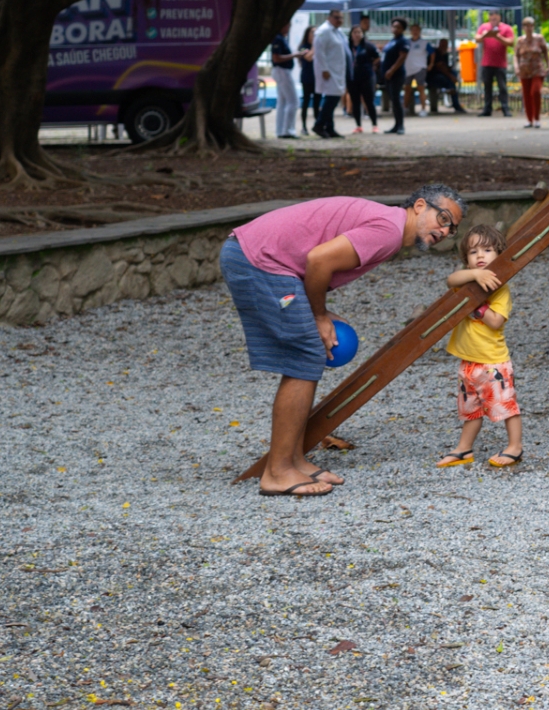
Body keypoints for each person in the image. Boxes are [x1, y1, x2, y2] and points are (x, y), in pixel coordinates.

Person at [223, 183, 466, 496]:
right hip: (257, 259)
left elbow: (315, 260)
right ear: (420, 205)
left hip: (259, 256)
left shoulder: (388, 226)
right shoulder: (389, 230)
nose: (446, 231)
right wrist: (319, 315)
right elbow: (319, 260)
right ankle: (278, 472)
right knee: (305, 355)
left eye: (453, 228)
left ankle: (295, 460)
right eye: (444, 219)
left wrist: (319, 311)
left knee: (307, 352)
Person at [434, 224, 526, 469]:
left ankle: (515, 447)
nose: (481, 256)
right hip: (469, 362)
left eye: (487, 250)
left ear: (499, 255)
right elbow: (450, 279)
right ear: (467, 259)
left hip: (493, 362)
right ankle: (464, 448)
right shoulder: (467, 281)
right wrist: (474, 276)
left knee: (507, 406)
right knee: (470, 409)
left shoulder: (500, 289)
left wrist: (478, 304)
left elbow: (495, 322)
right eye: (474, 252)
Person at [311, 9, 349, 138]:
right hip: (329, 71)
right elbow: (319, 52)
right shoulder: (324, 31)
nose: (339, 20)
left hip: (338, 70)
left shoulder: (338, 32)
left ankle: (330, 127)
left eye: (341, 18)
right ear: (329, 17)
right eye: (336, 17)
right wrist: (324, 69)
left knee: (334, 98)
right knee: (331, 99)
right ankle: (319, 125)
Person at [514, 16, 549, 128]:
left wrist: (548, 65)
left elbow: (545, 52)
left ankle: (537, 118)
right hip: (524, 71)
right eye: (526, 26)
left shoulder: (539, 39)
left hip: (537, 70)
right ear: (523, 27)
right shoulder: (520, 40)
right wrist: (516, 67)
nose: (529, 28)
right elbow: (515, 55)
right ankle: (529, 120)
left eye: (531, 25)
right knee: (526, 94)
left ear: (533, 27)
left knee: (535, 92)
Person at [476, 11, 514, 117]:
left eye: (495, 18)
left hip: (500, 64)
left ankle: (505, 108)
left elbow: (511, 42)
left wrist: (497, 36)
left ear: (499, 17)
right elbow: (477, 39)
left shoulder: (506, 28)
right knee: (487, 87)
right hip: (487, 63)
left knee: (502, 87)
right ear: (489, 18)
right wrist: (486, 34)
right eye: (491, 18)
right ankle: (487, 109)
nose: (493, 20)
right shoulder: (484, 27)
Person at [349, 20, 382, 133]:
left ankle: (374, 125)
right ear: (351, 34)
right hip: (353, 78)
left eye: (359, 32)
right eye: (355, 32)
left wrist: (372, 65)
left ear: (362, 34)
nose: (357, 34)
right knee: (355, 102)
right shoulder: (348, 46)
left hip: (367, 77)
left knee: (369, 101)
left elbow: (378, 57)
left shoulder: (368, 46)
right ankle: (358, 125)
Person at [381, 17, 412, 135]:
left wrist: (392, 70)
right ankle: (396, 124)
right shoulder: (392, 40)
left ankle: (401, 126)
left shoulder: (402, 41)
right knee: (393, 100)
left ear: (403, 29)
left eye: (398, 27)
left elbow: (402, 57)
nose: (395, 29)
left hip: (396, 75)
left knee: (396, 99)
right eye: (394, 26)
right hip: (388, 75)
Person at [270, 27, 299, 139]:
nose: (288, 28)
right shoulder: (278, 38)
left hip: (282, 71)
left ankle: (281, 130)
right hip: (281, 71)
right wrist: (294, 55)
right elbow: (276, 58)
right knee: (293, 101)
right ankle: (287, 130)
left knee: (282, 102)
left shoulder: (281, 38)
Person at [429, 35, 465, 113]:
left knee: (453, 74)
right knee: (450, 79)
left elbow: (445, 67)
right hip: (432, 76)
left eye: (445, 44)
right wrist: (451, 76)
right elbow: (440, 67)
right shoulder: (436, 53)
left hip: (443, 76)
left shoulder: (445, 54)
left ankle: (449, 89)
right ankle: (448, 90)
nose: (444, 46)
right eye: (442, 44)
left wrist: (450, 69)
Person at [403, 22, 430, 115]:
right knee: (407, 89)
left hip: (420, 68)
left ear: (420, 31)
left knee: (421, 88)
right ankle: (405, 108)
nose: (415, 32)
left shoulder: (424, 43)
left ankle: (423, 109)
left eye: (417, 30)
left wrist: (431, 64)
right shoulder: (406, 42)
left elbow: (432, 53)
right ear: (410, 31)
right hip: (408, 68)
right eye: (413, 30)